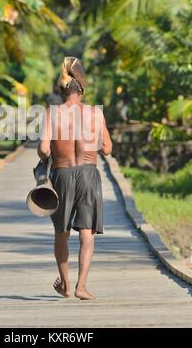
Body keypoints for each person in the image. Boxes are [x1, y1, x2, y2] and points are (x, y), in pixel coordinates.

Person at [37, 56, 112, 300]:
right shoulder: (95, 113)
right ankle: (81, 286)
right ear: (82, 88)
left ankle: (66, 286)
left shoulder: (53, 113)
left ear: (62, 90)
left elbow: (44, 149)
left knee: (62, 232)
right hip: (89, 174)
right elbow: (108, 149)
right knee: (86, 233)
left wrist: (48, 154)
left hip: (62, 174)